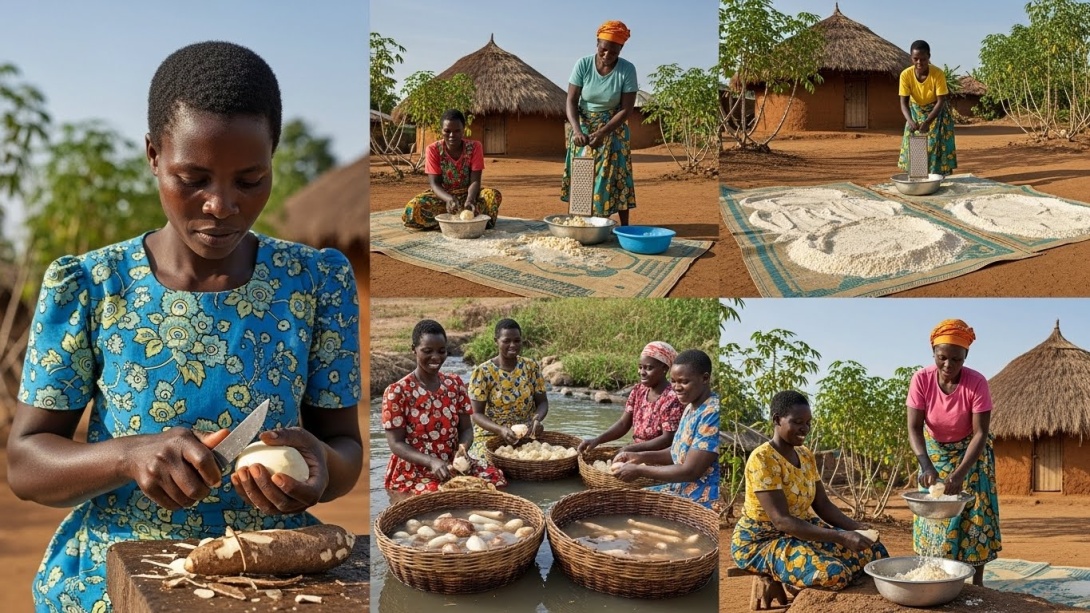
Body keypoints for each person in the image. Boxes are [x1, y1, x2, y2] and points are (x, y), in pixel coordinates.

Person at [6, 41, 363, 611]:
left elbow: (344, 448)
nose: (220, 205)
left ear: (273, 155)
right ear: (153, 154)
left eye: (249, 180)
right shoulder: (93, 286)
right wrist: (128, 456)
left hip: (270, 577)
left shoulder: (315, 283)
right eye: (192, 177)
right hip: (116, 579)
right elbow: (26, 462)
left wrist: (320, 470)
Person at [732, 391, 888, 591]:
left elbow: (822, 505)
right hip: (762, 539)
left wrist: (856, 527)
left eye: (808, 422)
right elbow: (781, 521)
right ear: (777, 420)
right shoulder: (762, 459)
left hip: (802, 529)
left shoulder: (805, 455)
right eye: (798, 422)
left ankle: (798, 575)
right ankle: (794, 583)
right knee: (833, 574)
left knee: (874, 552)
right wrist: (841, 537)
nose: (805, 428)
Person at [907, 319, 1001, 586]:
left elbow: (980, 432)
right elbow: (914, 427)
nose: (949, 365)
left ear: (966, 356)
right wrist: (926, 465)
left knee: (975, 513)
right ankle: (935, 575)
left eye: (956, 359)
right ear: (933, 354)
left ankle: (977, 583)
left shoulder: (976, 382)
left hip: (972, 452)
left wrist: (960, 474)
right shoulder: (921, 380)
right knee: (933, 515)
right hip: (934, 452)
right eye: (942, 358)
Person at [382, 320, 506, 500]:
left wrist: (462, 449)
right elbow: (396, 444)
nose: (436, 357)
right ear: (414, 349)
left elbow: (466, 429)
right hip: (415, 469)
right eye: (427, 351)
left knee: (495, 479)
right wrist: (431, 461)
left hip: (452, 463)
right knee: (440, 496)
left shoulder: (454, 384)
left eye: (441, 351)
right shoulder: (398, 392)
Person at [612, 349, 720, 510]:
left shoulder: (712, 414)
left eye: (683, 382)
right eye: (674, 381)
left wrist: (640, 470)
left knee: (631, 509)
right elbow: (675, 452)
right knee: (624, 502)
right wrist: (637, 457)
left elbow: (690, 471)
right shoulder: (691, 406)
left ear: (705, 378)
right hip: (680, 487)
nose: (676, 387)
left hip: (701, 498)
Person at [561, 20, 639, 225]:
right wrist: (577, 131)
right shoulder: (583, 64)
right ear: (597, 43)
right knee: (583, 175)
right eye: (604, 49)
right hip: (584, 124)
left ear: (621, 49)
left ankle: (624, 227)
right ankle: (580, 223)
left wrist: (603, 132)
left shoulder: (627, 70)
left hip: (614, 125)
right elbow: (571, 100)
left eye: (614, 52)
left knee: (616, 174)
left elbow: (626, 109)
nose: (607, 55)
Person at [403, 108, 502, 231]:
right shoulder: (433, 150)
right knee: (413, 208)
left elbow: (475, 180)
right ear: (441, 131)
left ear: (463, 130)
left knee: (493, 196)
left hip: (469, 196)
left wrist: (470, 200)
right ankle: (473, 221)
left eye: (457, 131)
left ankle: (449, 221)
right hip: (444, 198)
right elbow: (434, 184)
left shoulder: (475, 147)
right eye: (447, 131)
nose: (452, 135)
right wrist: (449, 199)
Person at [577, 341, 684, 453]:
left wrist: (631, 449)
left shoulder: (672, 398)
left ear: (664, 369)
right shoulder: (639, 390)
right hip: (637, 453)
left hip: (658, 457)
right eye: (640, 367)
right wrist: (597, 440)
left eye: (648, 368)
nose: (642, 372)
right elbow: (623, 424)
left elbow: (667, 439)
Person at [467, 318, 549, 460]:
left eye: (517, 341)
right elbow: (476, 414)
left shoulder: (531, 367)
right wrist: (501, 430)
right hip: (490, 435)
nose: (513, 345)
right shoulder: (483, 372)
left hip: (525, 433)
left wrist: (536, 420)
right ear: (496, 341)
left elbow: (542, 403)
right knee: (490, 463)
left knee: (543, 459)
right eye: (506, 341)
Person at [898, 40, 957, 176]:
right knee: (915, 143)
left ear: (929, 56)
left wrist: (928, 122)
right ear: (910, 58)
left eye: (923, 59)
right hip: (915, 111)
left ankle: (936, 175)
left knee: (935, 143)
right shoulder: (905, 75)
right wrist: (911, 121)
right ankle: (918, 175)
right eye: (915, 59)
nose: (919, 62)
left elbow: (941, 101)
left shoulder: (938, 74)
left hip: (936, 111)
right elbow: (903, 103)